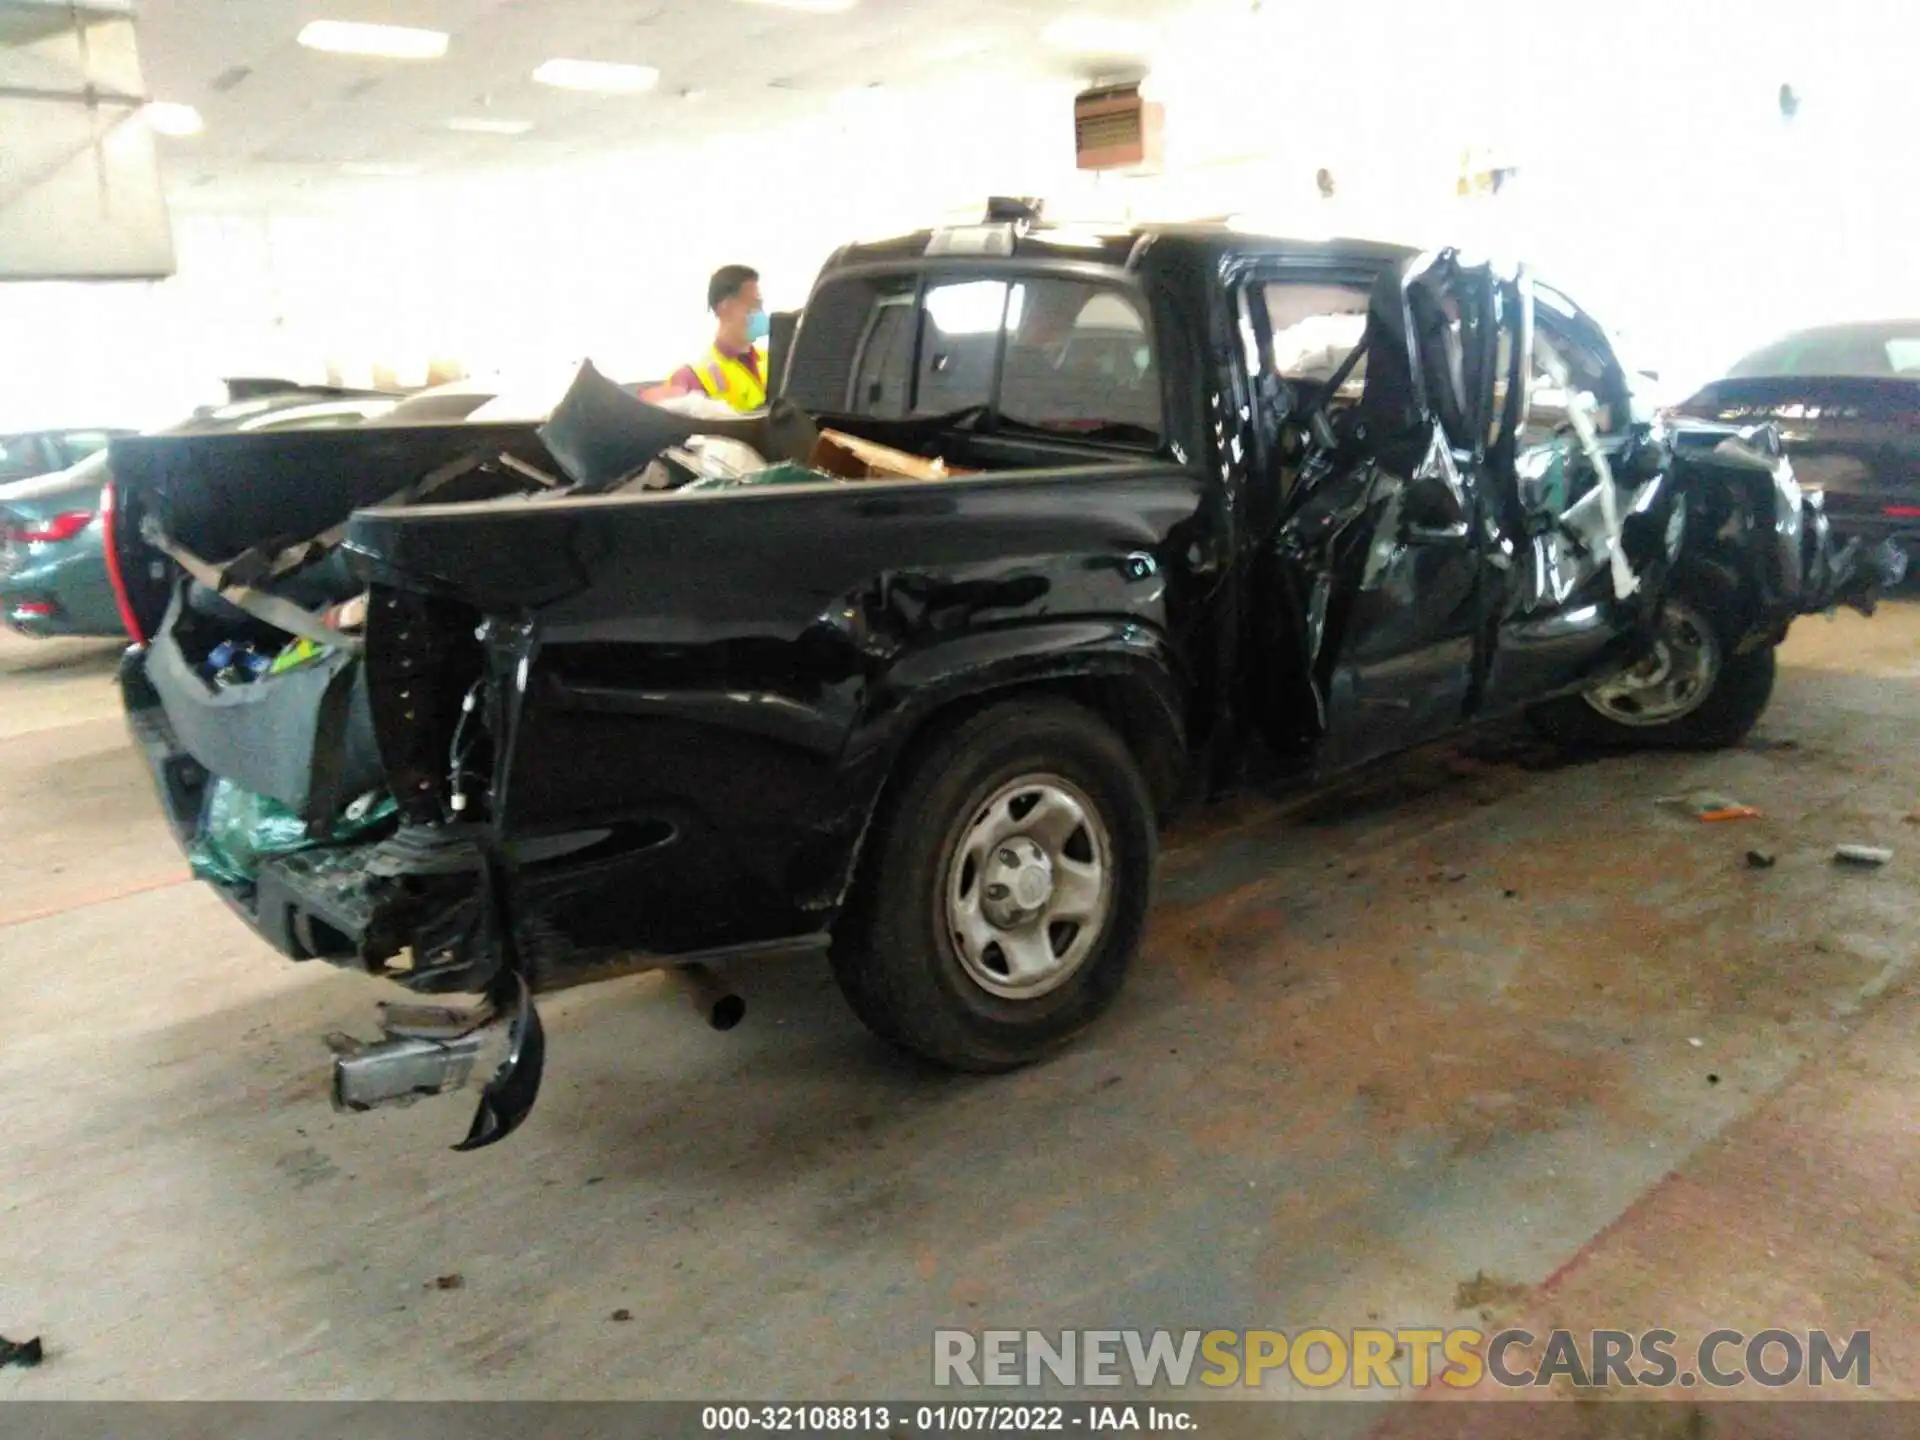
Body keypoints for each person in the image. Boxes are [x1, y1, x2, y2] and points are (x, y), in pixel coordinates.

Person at [644, 265, 769, 412]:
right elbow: (656, 410)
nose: (760, 313)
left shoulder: (776, 362)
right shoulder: (693, 375)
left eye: (760, 305)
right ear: (726, 307)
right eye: (753, 305)